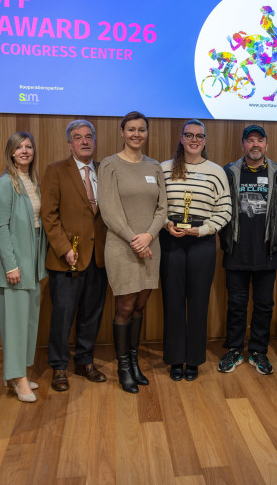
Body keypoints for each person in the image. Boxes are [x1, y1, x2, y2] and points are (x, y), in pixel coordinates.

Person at [98, 111, 167, 393]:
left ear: (146, 133)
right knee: (125, 307)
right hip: (122, 247)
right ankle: (123, 366)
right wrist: (134, 240)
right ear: (122, 132)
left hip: (151, 247)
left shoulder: (154, 167)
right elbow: (109, 211)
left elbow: (163, 208)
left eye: (141, 130)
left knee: (140, 305)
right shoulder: (110, 165)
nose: (136, 134)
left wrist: (148, 236)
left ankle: (135, 362)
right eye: (131, 130)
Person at [160, 119, 231, 381]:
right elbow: (157, 205)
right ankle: (175, 360)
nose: (194, 140)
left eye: (199, 136)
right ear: (181, 138)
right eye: (189, 135)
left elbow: (225, 209)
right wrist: (166, 224)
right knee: (173, 301)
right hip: (171, 239)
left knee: (199, 302)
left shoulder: (216, 171)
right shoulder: (165, 169)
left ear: (205, 140)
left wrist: (203, 230)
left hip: (202, 241)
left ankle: (194, 360)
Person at [41, 120, 108, 392]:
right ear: (69, 143)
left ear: (94, 140)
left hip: (99, 257)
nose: (84, 142)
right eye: (78, 138)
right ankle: (58, 366)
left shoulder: (105, 170)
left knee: (92, 313)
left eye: (88, 137)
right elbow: (49, 215)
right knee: (63, 315)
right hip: (66, 257)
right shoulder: (56, 171)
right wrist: (64, 248)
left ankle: (84, 361)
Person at [218, 124, 277, 375]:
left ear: (266, 144)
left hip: (267, 252)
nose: (255, 144)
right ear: (242, 145)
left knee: (264, 305)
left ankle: (258, 350)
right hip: (236, 250)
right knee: (236, 304)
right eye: (250, 141)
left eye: (260, 140)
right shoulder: (229, 172)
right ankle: (234, 349)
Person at [0, 132, 48, 402]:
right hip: (14, 264)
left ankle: (19, 373)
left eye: (28, 147)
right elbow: (0, 227)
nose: (24, 151)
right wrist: (10, 265)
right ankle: (17, 378)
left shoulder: (32, 181)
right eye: (18, 147)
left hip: (33, 260)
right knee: (14, 325)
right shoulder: (5, 184)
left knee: (28, 322)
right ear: (11, 153)